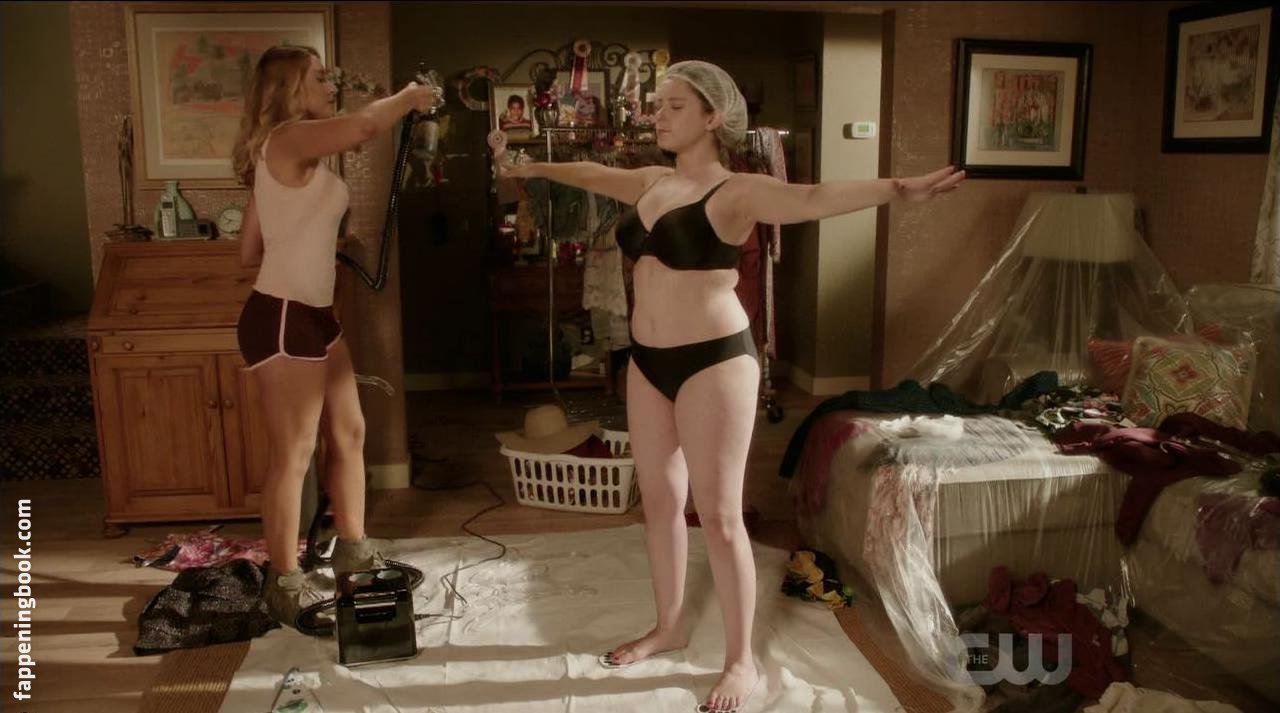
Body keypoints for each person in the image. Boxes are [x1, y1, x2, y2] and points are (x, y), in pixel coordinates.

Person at [495, 59, 963, 713]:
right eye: (656, 105)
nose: (658, 116)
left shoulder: (738, 191)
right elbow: (591, 173)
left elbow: (812, 199)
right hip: (648, 363)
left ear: (713, 116)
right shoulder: (652, 181)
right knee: (660, 504)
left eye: (674, 106)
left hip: (713, 361)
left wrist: (896, 188)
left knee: (717, 516)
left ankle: (740, 659)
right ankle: (670, 624)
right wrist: (528, 167)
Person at [230, 45, 439, 627]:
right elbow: (366, 126)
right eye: (319, 78)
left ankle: (353, 550)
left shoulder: (292, 156)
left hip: (315, 315)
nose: (331, 86)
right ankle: (283, 582)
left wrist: (308, 234)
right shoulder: (287, 138)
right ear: (290, 90)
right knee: (293, 455)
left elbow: (248, 249)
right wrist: (410, 96)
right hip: (282, 316)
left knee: (350, 432)